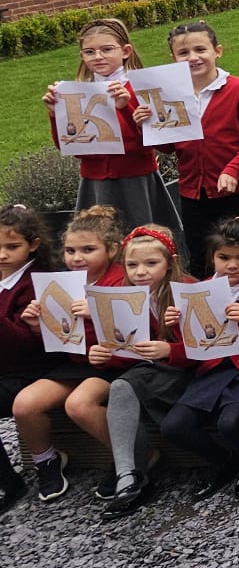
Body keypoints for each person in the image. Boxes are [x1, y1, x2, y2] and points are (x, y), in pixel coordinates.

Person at [41, 18, 184, 256]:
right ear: (82, 56)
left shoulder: (141, 87)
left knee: (143, 242)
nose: (98, 57)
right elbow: (73, 147)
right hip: (95, 181)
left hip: (136, 178)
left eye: (107, 49)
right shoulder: (78, 92)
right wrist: (56, 115)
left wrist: (125, 108)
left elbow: (150, 143)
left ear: (125, 51)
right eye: (89, 51)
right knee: (95, 244)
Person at [158, 217, 239, 501]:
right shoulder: (202, 288)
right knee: (173, 426)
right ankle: (222, 460)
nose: (232, 265)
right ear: (213, 257)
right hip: (211, 371)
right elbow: (193, 347)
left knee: (231, 422)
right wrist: (175, 325)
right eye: (224, 257)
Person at [12, 207, 121, 501]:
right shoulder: (61, 283)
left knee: (79, 404)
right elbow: (60, 336)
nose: (77, 257)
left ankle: (131, 458)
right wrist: (36, 325)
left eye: (88, 249)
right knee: (24, 405)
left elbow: (134, 332)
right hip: (74, 361)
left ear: (111, 249)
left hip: (114, 365)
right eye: (71, 250)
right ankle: (47, 460)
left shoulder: (121, 281)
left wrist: (99, 314)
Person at [94, 225, 188, 519]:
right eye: (132, 264)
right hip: (145, 372)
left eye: (151, 263)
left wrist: (172, 349)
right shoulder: (121, 298)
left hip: (183, 373)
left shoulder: (187, 290)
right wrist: (104, 354)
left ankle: (131, 474)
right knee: (121, 386)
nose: (140, 272)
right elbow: (126, 351)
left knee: (125, 387)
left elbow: (210, 348)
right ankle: (128, 476)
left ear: (169, 262)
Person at [163, 21, 239, 275]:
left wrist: (234, 169)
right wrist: (148, 125)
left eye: (200, 50)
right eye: (183, 53)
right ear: (174, 58)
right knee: (200, 257)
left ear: (217, 51)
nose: (193, 58)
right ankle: (206, 310)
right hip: (192, 193)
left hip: (235, 192)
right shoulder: (171, 95)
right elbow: (167, 147)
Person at [0, 207, 60, 512]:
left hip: (31, 370)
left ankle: (39, 465)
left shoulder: (37, 283)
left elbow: (29, 345)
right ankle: (6, 479)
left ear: (33, 245)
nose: (2, 255)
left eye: (12, 247)